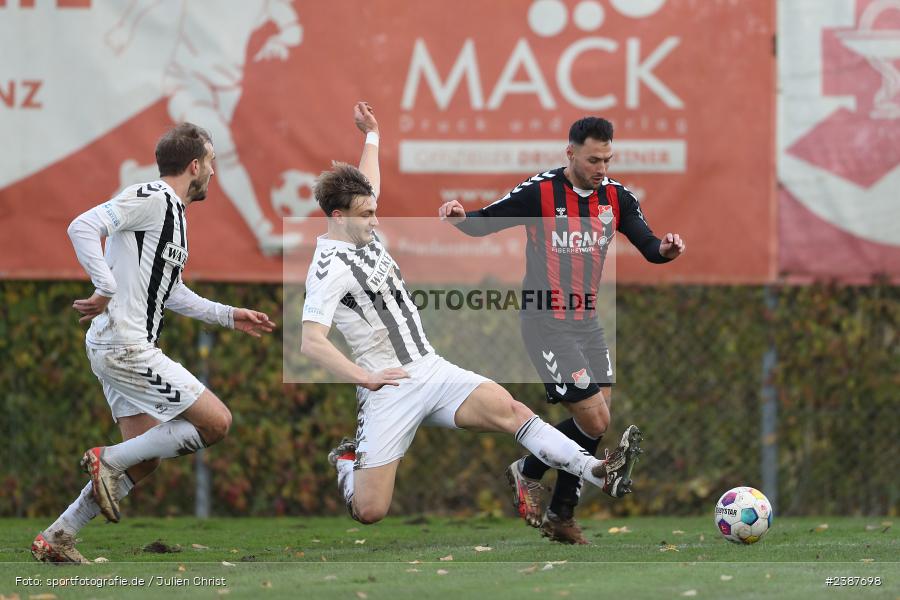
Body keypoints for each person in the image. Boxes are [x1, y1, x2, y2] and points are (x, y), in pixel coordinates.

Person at [301, 103, 643, 525]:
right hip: (386, 387)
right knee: (371, 510)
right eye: (367, 215)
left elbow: (367, 182)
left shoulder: (359, 226)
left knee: (513, 411)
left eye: (373, 210)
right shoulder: (328, 268)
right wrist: (364, 377)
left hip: (430, 369)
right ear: (338, 218)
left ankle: (598, 471)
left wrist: (372, 134)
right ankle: (347, 464)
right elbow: (311, 342)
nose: (375, 220)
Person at [31, 123, 276, 564]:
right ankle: (107, 459)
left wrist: (228, 315)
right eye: (212, 163)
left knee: (144, 457)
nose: (215, 172)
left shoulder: (174, 214)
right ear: (195, 166)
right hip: (126, 347)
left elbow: (170, 291)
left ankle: (58, 536)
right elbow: (82, 226)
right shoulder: (153, 197)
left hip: (117, 346)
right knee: (216, 423)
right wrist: (104, 286)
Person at [439, 117, 685, 544]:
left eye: (607, 159)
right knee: (595, 418)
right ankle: (536, 477)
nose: (602, 168)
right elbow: (487, 221)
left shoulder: (618, 197)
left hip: (587, 322)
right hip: (546, 322)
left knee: (595, 424)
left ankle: (556, 508)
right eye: (593, 160)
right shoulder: (541, 191)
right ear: (570, 153)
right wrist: (461, 217)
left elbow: (648, 245)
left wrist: (665, 249)